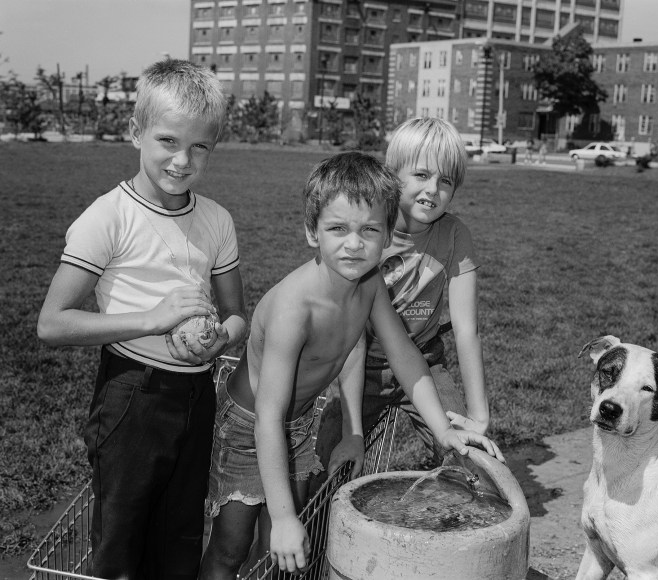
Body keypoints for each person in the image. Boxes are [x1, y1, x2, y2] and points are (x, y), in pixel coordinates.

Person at [199, 151, 502, 579]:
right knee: (232, 546)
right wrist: (284, 518)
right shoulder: (294, 308)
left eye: (370, 230)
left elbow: (404, 356)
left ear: (388, 234)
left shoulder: (370, 284)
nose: (355, 243)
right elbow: (269, 416)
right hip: (250, 428)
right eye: (338, 229)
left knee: (287, 544)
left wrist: (443, 430)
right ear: (312, 232)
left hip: (298, 422)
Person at [37, 59, 248, 580]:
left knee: (178, 537)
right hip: (132, 394)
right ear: (135, 132)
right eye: (168, 141)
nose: (183, 160)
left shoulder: (217, 219)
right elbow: (53, 324)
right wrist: (152, 319)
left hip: (197, 396)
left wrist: (220, 340)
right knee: (120, 541)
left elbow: (238, 314)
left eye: (200, 146)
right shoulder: (108, 217)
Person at [313, 117, 499, 492]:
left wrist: (478, 416)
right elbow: (346, 329)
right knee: (325, 466)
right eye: (421, 175)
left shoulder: (454, 234)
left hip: (426, 363)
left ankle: (444, 535)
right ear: (392, 174)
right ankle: (317, 545)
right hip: (361, 365)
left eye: (445, 180)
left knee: (469, 462)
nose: (433, 189)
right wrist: (351, 428)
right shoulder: (366, 231)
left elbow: (467, 330)